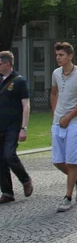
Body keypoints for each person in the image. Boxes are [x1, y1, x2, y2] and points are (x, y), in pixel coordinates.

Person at [50, 42, 77, 213]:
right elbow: (53, 92)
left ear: (70, 56)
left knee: (72, 162)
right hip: (58, 123)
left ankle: (68, 196)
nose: (58, 58)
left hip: (74, 123)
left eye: (61, 55)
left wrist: (68, 116)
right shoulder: (56, 73)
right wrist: (56, 113)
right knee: (58, 161)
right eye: (57, 55)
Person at [0, 51, 33, 204]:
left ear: (7, 64)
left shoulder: (19, 81)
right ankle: (7, 192)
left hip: (13, 126)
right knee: (1, 160)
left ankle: (25, 180)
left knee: (9, 155)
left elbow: (26, 105)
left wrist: (23, 127)